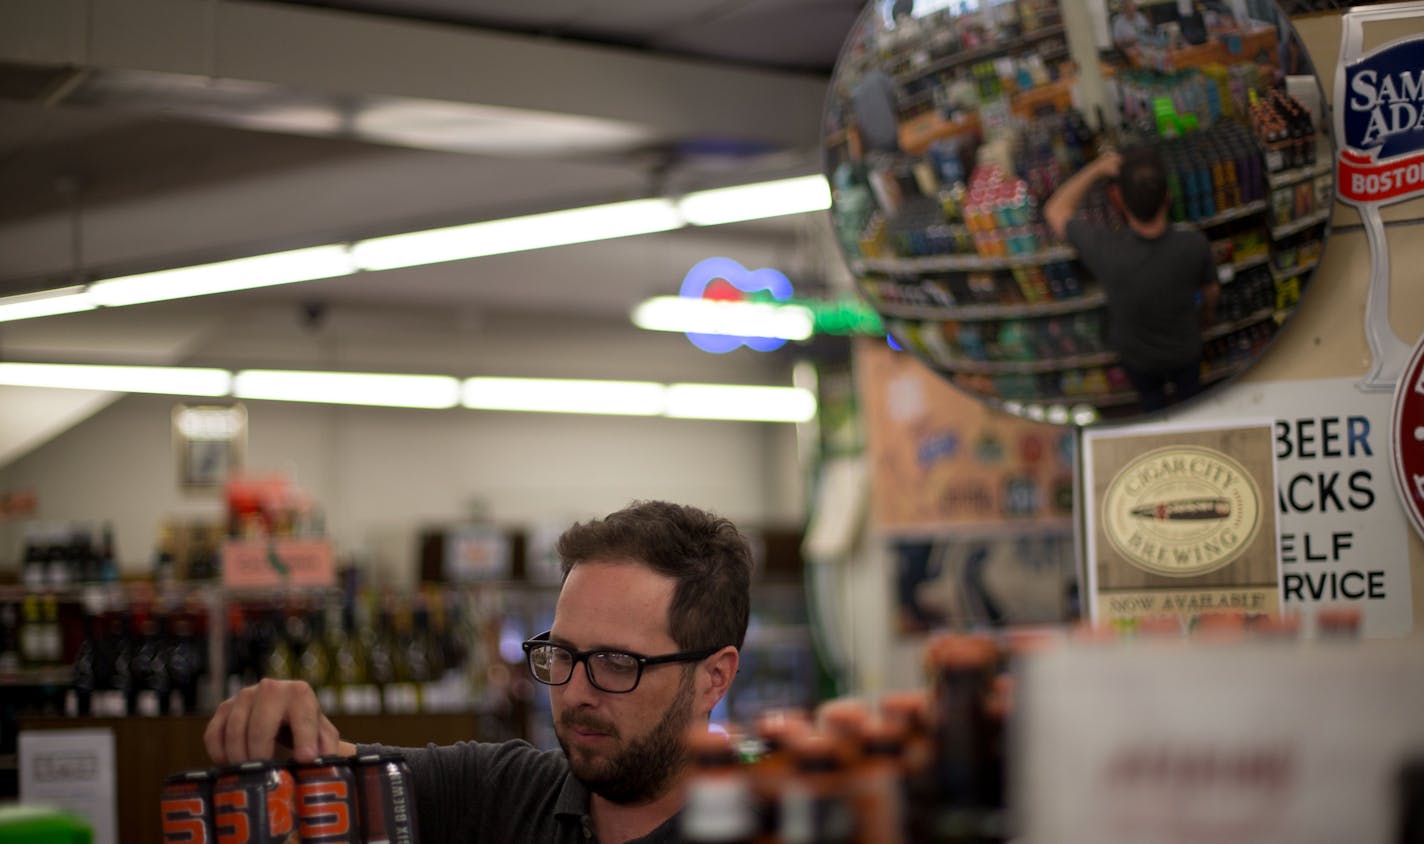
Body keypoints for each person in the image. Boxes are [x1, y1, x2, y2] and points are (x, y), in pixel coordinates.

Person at [204, 500, 750, 844]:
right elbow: (332, 768)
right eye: (561, 653)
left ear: (714, 678)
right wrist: (283, 722)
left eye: (615, 662)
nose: (575, 691)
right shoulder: (499, 794)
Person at [1044, 143, 1219, 413]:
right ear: (1168, 197)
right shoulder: (1194, 245)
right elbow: (1211, 293)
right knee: (1192, 403)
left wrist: (1097, 168)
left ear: (1121, 202)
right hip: (1185, 351)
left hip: (1138, 358)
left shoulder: (1106, 250)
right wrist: (1205, 317)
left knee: (1151, 402)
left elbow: (1055, 209)